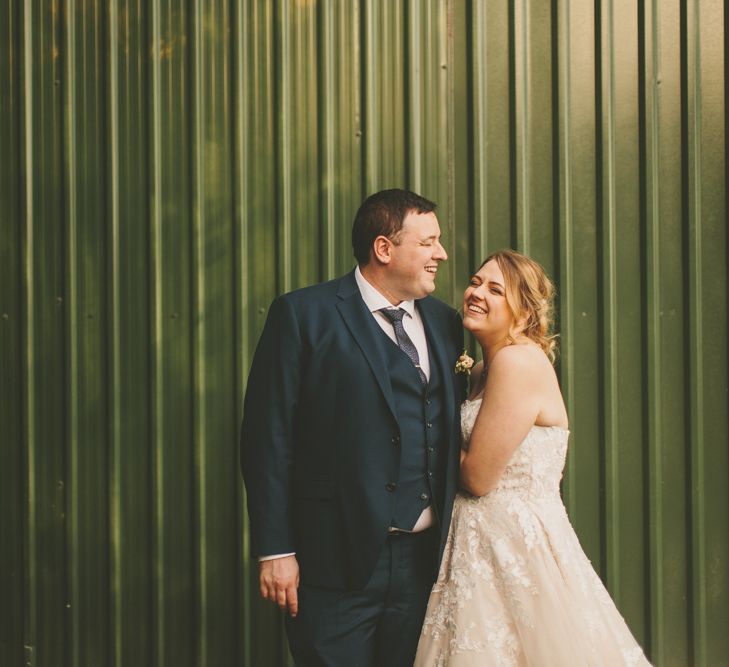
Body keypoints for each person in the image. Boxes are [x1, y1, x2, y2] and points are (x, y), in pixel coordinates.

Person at [240, 189, 467, 666]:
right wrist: (275, 549)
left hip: (424, 564)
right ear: (384, 249)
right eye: (428, 243)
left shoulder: (447, 324)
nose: (441, 254)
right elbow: (268, 436)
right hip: (332, 562)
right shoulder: (303, 315)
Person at [414, 249, 651, 666]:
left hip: (514, 548)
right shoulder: (484, 366)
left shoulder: (517, 361)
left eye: (495, 289)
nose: (475, 293)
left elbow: (478, 478)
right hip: (478, 544)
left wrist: (422, 433)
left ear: (523, 314)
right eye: (474, 282)